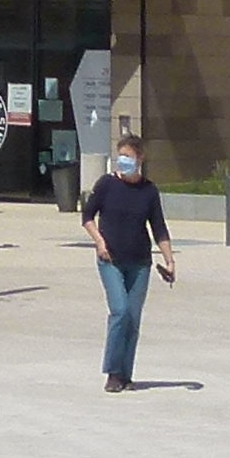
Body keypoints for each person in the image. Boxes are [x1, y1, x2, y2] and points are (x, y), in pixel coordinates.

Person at [81, 129, 174, 390]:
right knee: (120, 311)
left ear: (140, 158)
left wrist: (169, 261)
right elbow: (87, 216)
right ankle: (112, 372)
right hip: (110, 260)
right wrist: (99, 242)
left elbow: (159, 228)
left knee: (132, 318)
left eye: (128, 156)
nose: (123, 161)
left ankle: (125, 374)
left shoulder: (149, 191)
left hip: (140, 262)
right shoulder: (107, 184)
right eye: (120, 155)